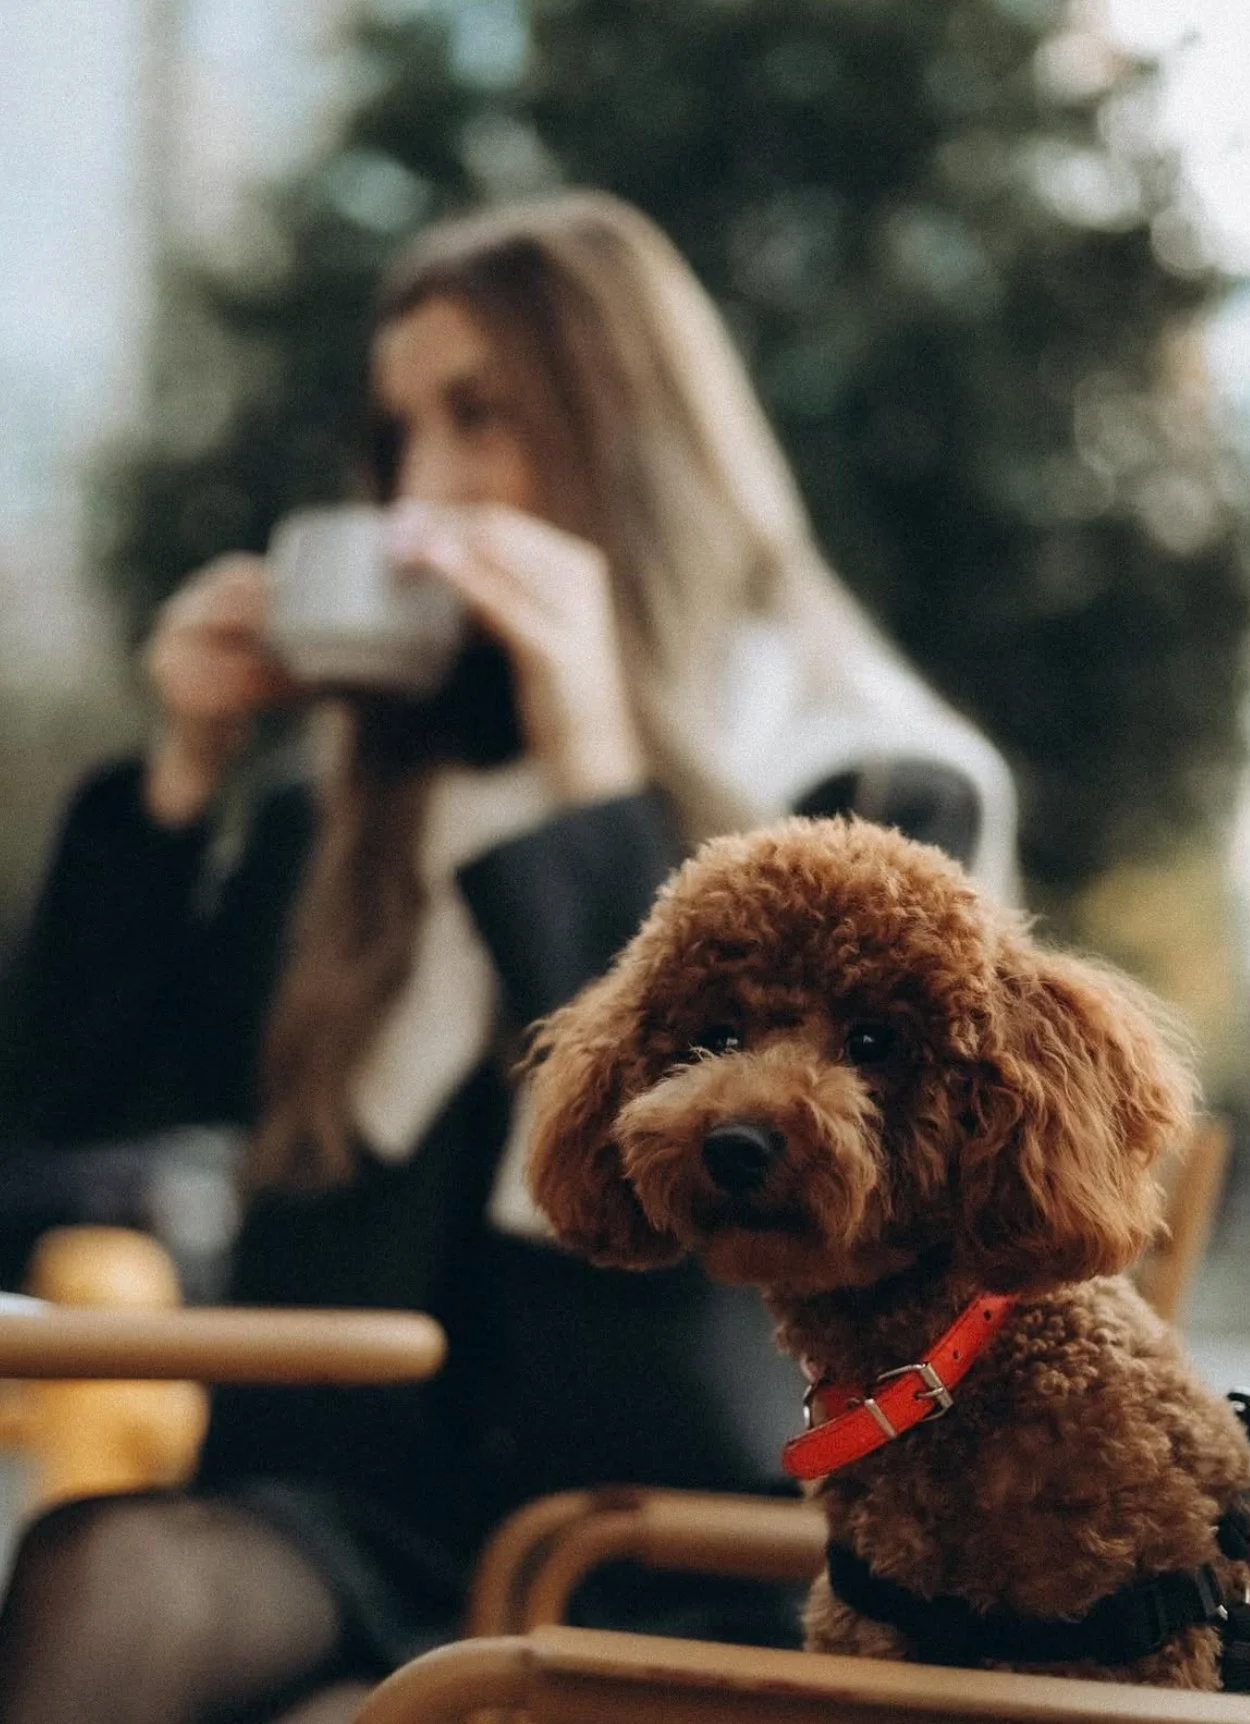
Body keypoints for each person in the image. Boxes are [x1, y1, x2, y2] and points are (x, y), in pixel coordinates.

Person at [0, 190, 1016, 1723]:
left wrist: (592, 770)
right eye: (398, 434)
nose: (423, 490)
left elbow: (735, 1195)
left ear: (626, 437)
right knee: (106, 1566)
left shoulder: (874, 790)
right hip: (345, 1512)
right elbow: (74, 1088)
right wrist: (180, 773)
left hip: (685, 1516)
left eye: (482, 421)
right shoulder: (357, 812)